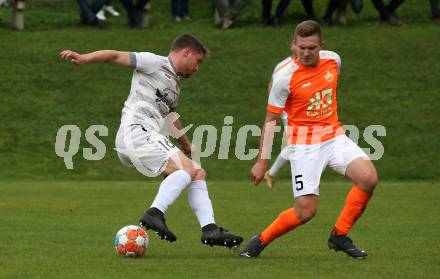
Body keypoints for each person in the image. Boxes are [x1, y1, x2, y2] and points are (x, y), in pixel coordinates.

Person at [60, 34, 243, 248]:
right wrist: (84, 58)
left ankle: (209, 229)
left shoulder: (174, 85)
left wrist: (185, 143)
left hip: (141, 137)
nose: (197, 68)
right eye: (198, 61)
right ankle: (154, 213)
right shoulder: (154, 62)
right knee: (185, 171)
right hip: (136, 131)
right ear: (187, 52)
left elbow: (170, 116)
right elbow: (114, 56)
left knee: (197, 172)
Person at [239, 20, 378, 259]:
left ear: (321, 46)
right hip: (304, 145)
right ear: (294, 44)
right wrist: (262, 162)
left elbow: (329, 89)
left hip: (334, 137)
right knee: (305, 212)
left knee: (368, 178)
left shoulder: (333, 60)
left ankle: (339, 235)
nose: (305, 52)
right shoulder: (284, 78)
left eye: (311, 48)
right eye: (301, 47)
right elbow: (270, 120)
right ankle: (260, 241)